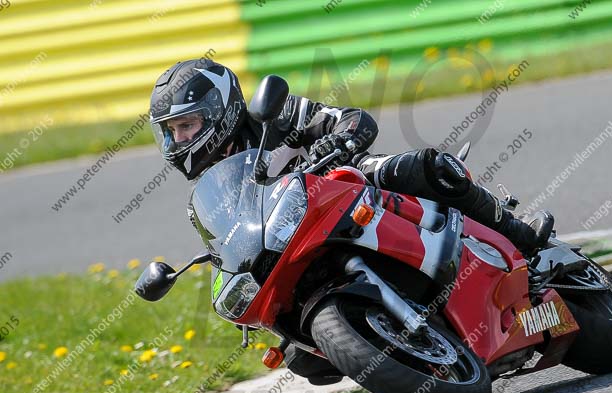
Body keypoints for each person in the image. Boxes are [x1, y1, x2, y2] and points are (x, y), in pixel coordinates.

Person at [149, 58, 553, 253]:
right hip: (299, 240)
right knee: (300, 359)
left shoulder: (274, 116)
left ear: (219, 110)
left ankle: (516, 232)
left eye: (187, 125)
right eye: (172, 131)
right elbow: (231, 247)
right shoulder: (210, 191)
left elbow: (352, 119)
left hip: (349, 188)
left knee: (427, 167)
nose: (179, 139)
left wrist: (338, 142)